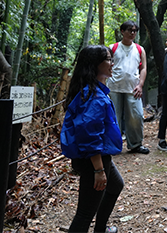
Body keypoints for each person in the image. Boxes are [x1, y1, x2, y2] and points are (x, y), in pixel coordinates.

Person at [61, 45, 124, 233]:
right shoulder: (93, 97)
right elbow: (88, 136)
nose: (112, 64)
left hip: (98, 156)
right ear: (95, 64)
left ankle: (101, 229)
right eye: (108, 60)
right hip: (93, 159)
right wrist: (99, 169)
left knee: (116, 185)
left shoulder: (93, 90)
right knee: (85, 213)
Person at [107, 21, 149, 154]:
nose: (132, 33)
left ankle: (136, 144)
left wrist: (140, 85)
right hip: (114, 87)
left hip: (133, 88)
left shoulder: (139, 49)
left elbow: (143, 68)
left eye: (135, 31)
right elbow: (105, 66)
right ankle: (113, 145)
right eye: (130, 30)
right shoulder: (112, 48)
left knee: (136, 116)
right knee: (114, 118)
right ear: (122, 31)